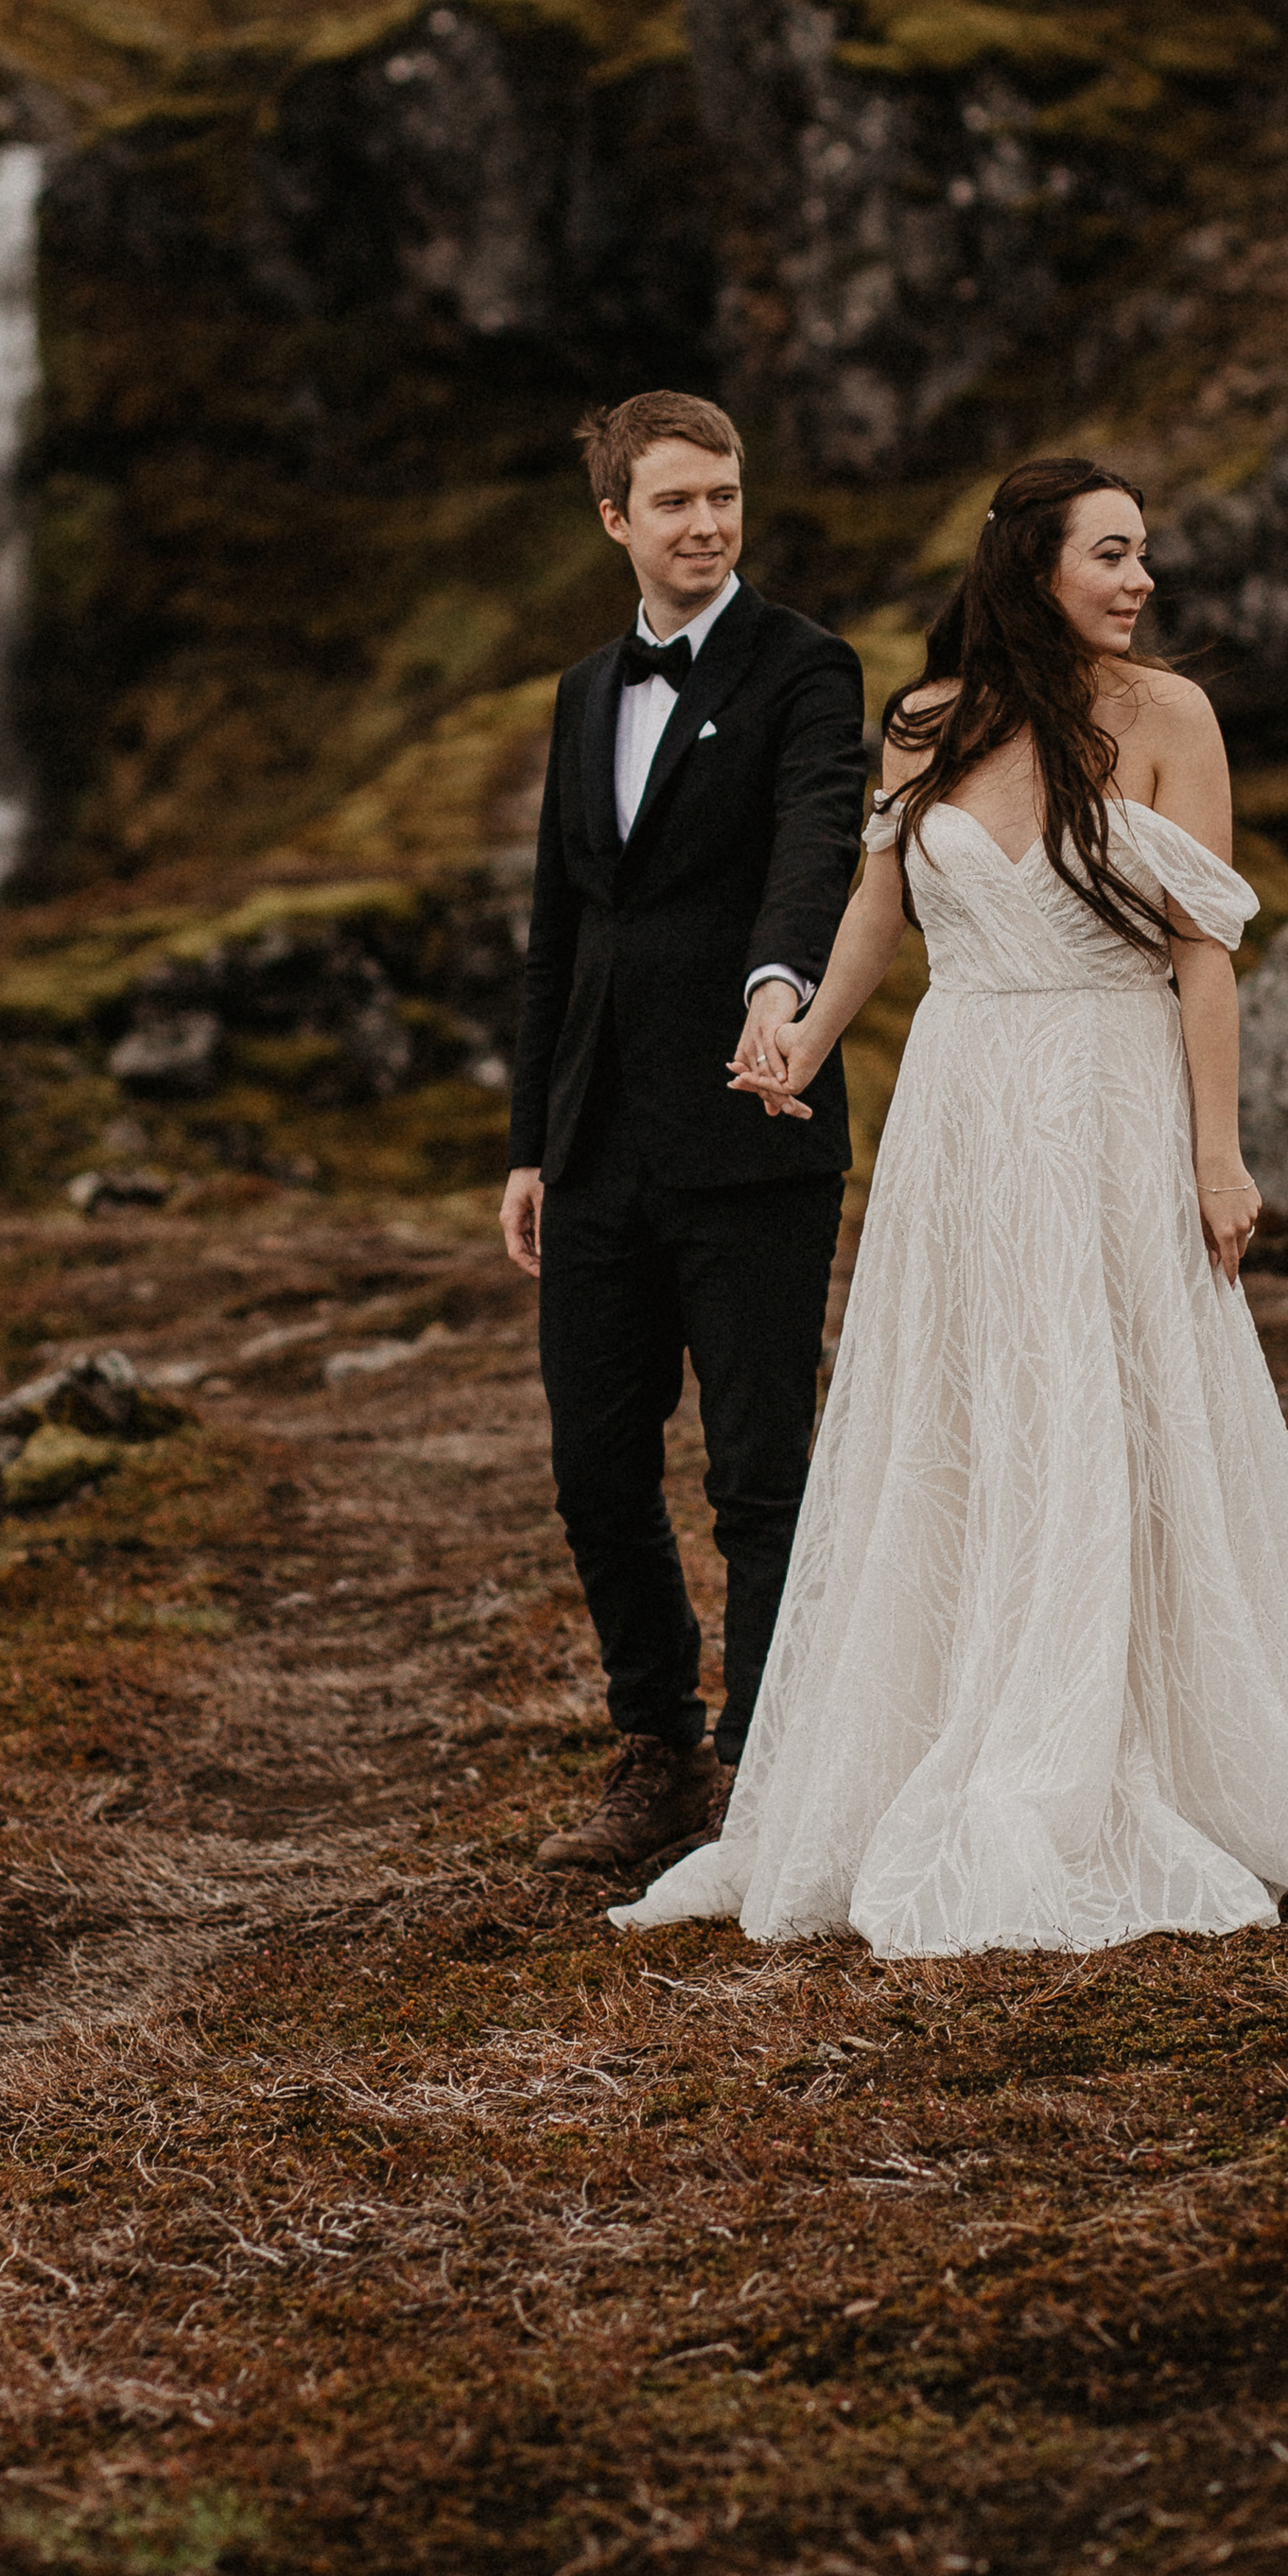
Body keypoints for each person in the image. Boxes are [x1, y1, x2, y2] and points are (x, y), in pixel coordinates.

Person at [610, 452, 1288, 1957]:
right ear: (1032, 568)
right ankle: (948, 1707)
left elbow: (1206, 952)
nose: (1141, 582)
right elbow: (880, 905)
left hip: (1109, 1092)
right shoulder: (929, 721)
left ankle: (1117, 1732)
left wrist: (1220, 1154)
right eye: (1113, 554)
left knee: (1108, 1395)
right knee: (964, 1403)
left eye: (1144, 556)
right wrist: (800, 1041)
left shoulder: (1170, 719)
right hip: (961, 1105)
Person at [502, 391, 867, 1876]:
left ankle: (768, 1772)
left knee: (760, 1474)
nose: (708, 523)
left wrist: (781, 988)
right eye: (675, 503)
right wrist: (532, 1139)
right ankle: (655, 1750)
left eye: (724, 496)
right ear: (616, 520)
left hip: (748, 1122)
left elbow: (817, 842)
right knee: (596, 1466)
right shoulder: (588, 690)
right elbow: (556, 927)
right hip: (596, 1142)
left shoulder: (808, 669)